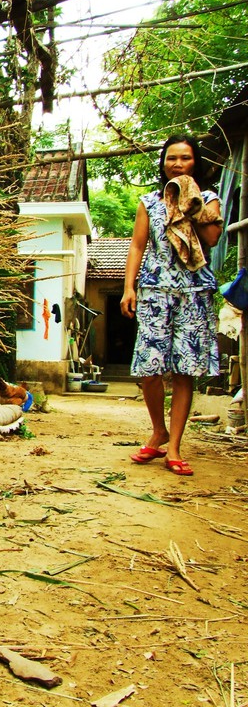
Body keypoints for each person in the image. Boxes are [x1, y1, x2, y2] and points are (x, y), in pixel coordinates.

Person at [120, 134, 222, 477]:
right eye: (171, 158)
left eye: (185, 158)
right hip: (154, 291)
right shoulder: (149, 202)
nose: (177, 164)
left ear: (196, 162)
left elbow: (211, 239)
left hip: (194, 292)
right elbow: (137, 246)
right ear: (163, 163)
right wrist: (128, 287)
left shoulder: (209, 198)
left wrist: (192, 204)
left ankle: (174, 446)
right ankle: (158, 431)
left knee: (183, 371)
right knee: (149, 368)